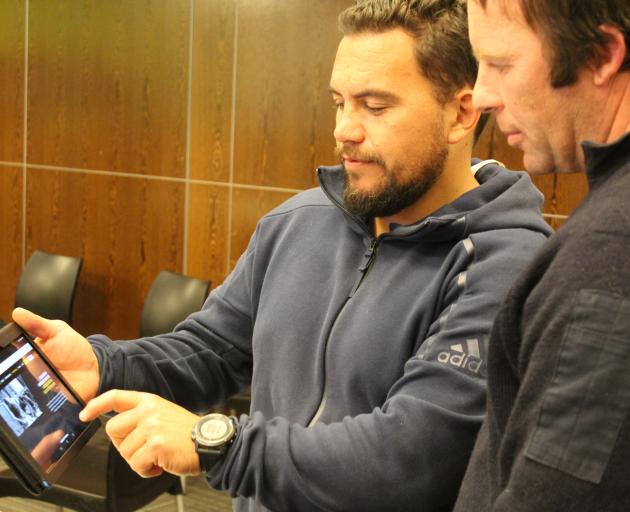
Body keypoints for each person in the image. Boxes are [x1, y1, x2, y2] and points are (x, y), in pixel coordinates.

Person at [14, 1, 552, 510]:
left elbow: (406, 458)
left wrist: (215, 444)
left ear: (461, 113)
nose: (344, 129)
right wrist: (105, 364)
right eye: (339, 102)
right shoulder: (300, 221)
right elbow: (211, 349)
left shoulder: (506, 265)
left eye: (376, 105)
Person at [454, 1, 630, 511]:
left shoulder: (609, 258)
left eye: (502, 65)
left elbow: (560, 495)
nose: (482, 95)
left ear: (602, 55)